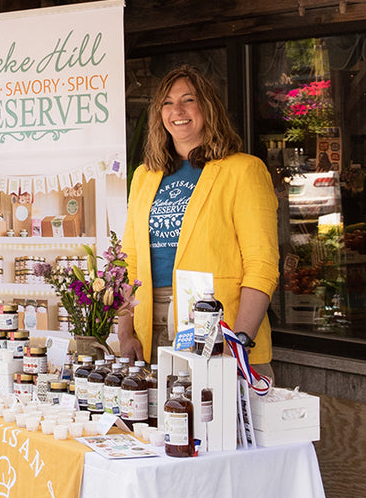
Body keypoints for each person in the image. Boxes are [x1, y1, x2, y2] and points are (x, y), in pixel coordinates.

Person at [116, 66, 279, 373]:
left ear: (208, 107)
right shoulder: (144, 177)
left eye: (188, 99)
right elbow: (130, 263)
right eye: (166, 102)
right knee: (164, 419)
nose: (176, 110)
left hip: (220, 326)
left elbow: (262, 265)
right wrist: (125, 333)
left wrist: (239, 341)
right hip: (150, 324)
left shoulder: (243, 170)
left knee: (218, 419)